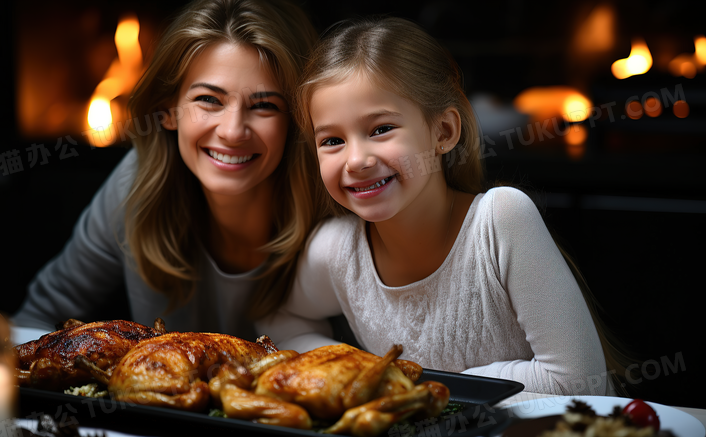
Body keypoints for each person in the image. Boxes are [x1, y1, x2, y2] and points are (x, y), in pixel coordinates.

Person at [257, 17, 631, 396]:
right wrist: (350, 369)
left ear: (444, 133)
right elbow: (280, 318)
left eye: (381, 129)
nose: (356, 160)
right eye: (332, 140)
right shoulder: (336, 251)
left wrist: (422, 387)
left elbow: (579, 381)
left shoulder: (501, 219)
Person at [11, 0, 324, 340]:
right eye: (209, 100)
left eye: (265, 106)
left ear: (296, 121)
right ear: (168, 110)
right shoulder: (136, 184)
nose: (233, 131)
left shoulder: (335, 204)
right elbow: (36, 320)